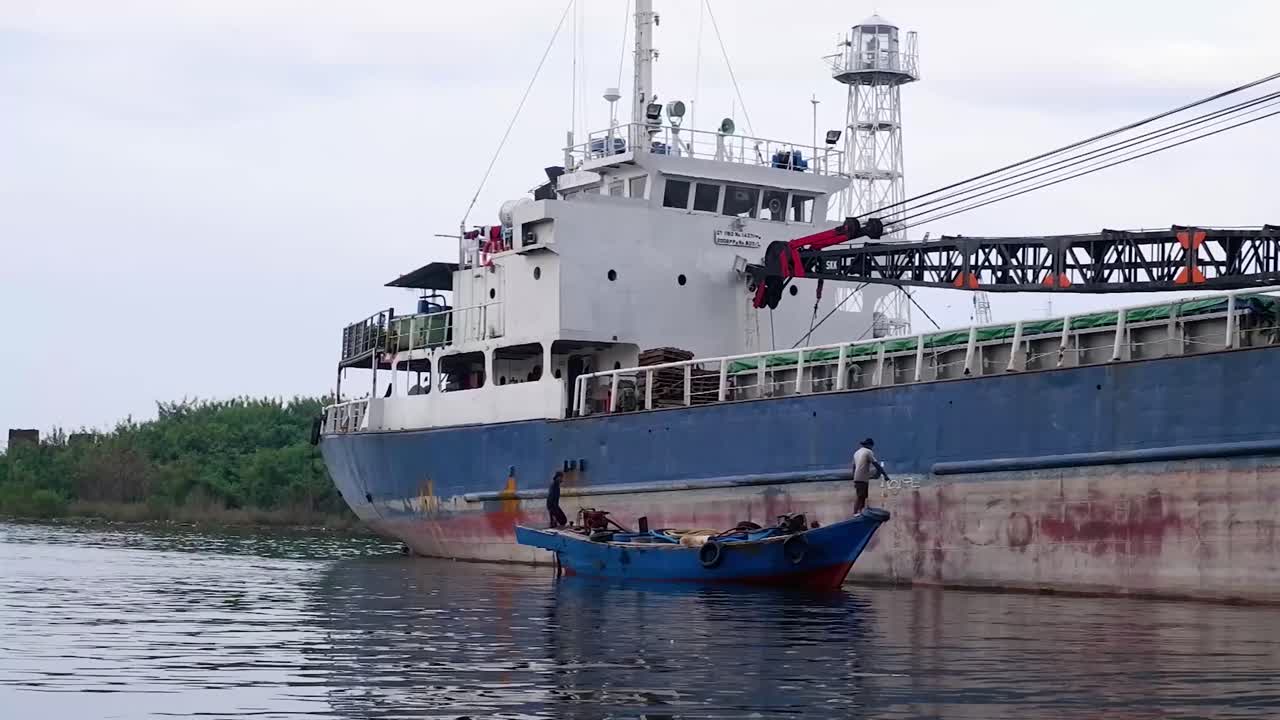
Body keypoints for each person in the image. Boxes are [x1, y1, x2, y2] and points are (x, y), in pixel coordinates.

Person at [851, 437, 889, 514]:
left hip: (857, 477)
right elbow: (876, 464)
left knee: (863, 497)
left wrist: (853, 478)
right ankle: (855, 513)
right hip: (862, 478)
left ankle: (860, 512)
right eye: (872, 446)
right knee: (860, 496)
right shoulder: (868, 452)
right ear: (869, 445)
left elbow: (854, 467)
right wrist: (885, 475)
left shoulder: (856, 452)